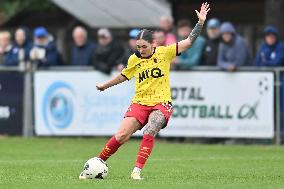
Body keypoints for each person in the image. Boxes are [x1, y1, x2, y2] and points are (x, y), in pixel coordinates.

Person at [79, 3, 210, 180]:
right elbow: (124, 76)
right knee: (121, 135)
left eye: (144, 47)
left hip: (161, 102)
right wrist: (105, 85)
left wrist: (200, 22)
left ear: (153, 43)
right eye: (138, 46)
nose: (140, 50)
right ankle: (96, 164)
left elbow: (189, 41)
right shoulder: (134, 59)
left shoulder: (165, 53)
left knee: (150, 129)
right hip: (140, 102)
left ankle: (136, 171)